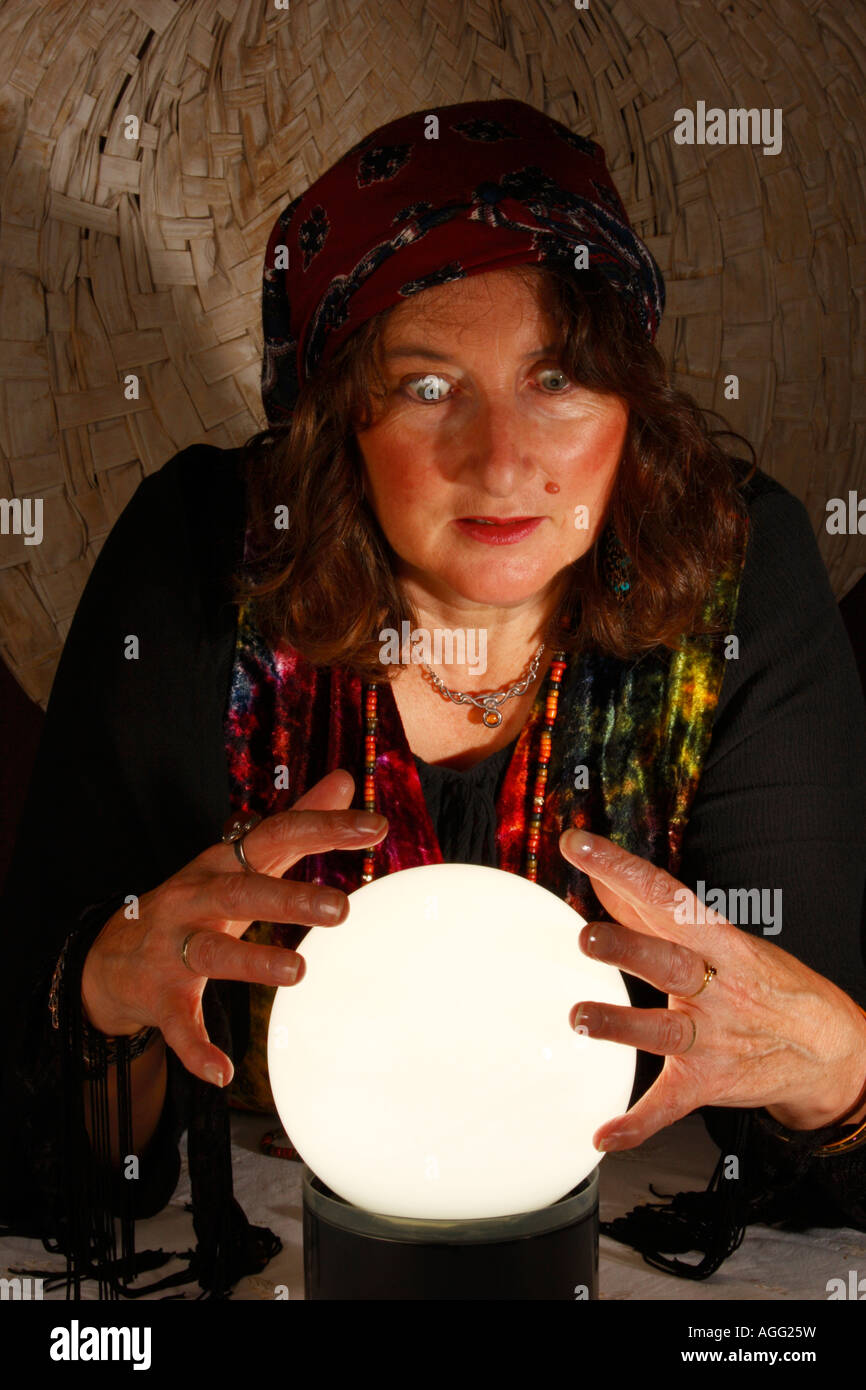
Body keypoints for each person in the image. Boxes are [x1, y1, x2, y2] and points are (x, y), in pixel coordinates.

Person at [1, 97, 865, 1300]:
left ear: (631, 398)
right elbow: (47, 1141)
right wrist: (101, 991)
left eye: (556, 376)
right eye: (426, 387)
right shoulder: (206, 557)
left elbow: (819, 1159)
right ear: (334, 416)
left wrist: (836, 1070)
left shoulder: (736, 569)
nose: (502, 460)